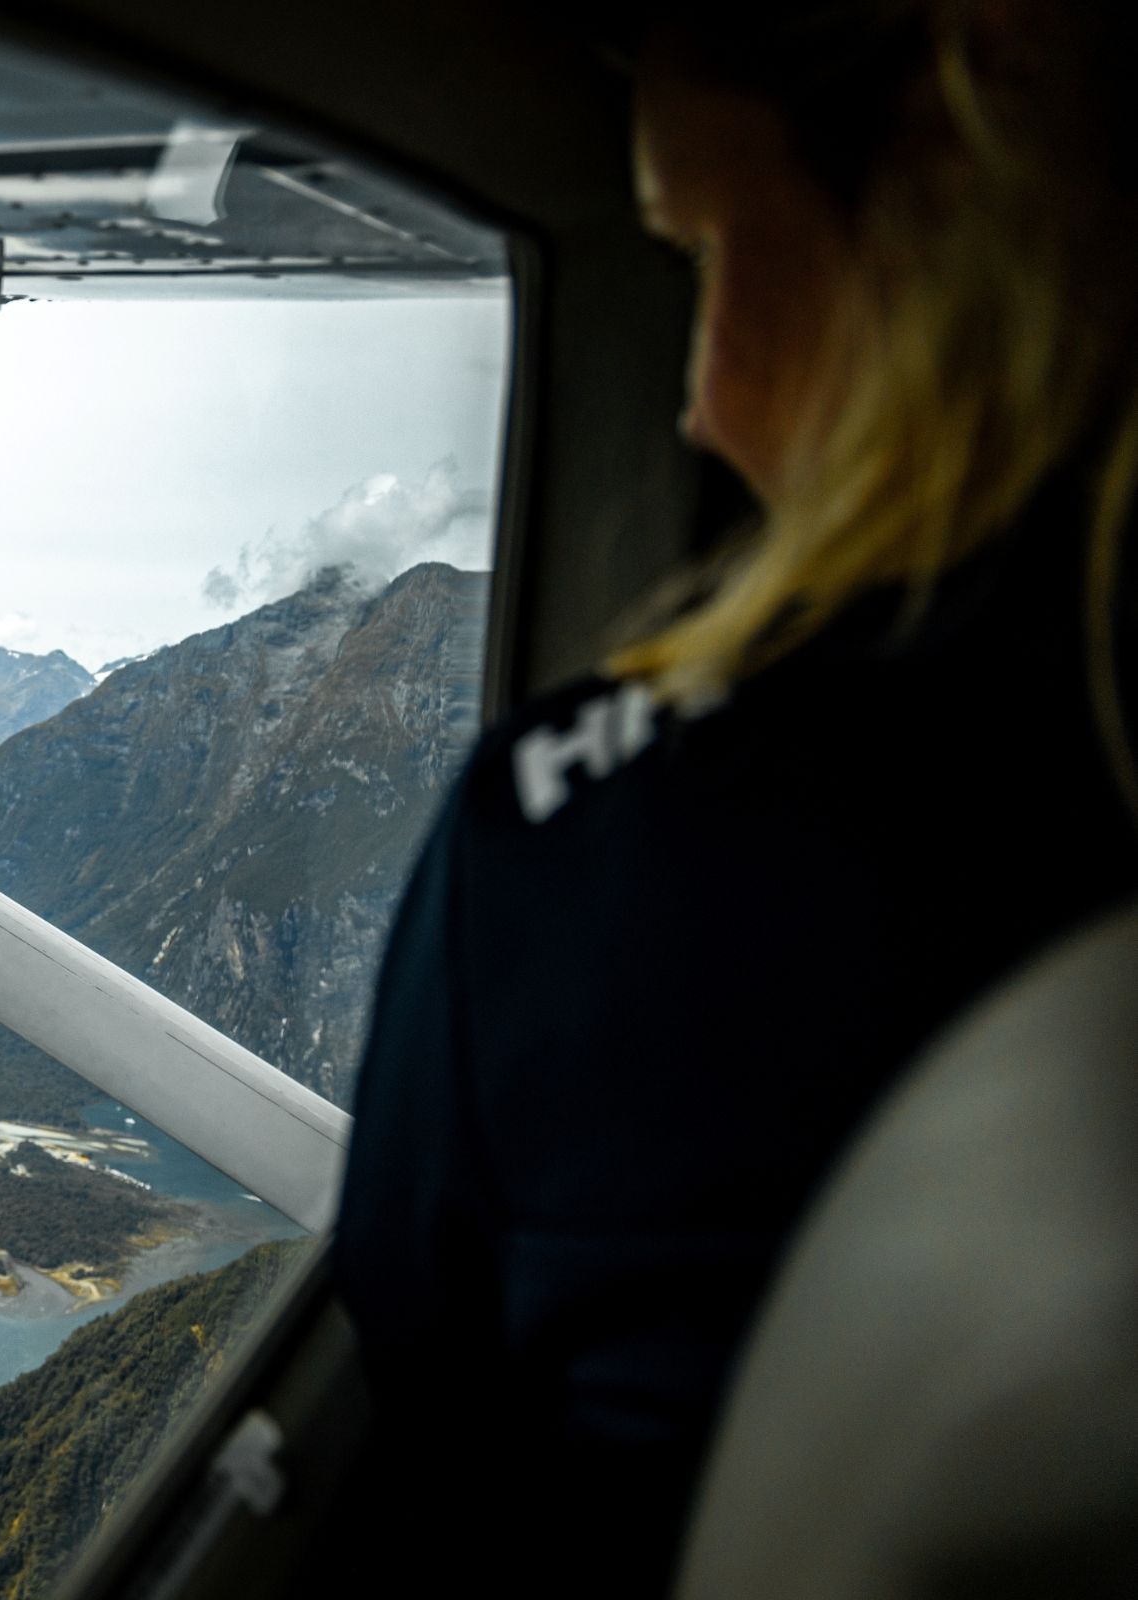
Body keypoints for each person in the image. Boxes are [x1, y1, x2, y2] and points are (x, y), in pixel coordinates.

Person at [330, 3, 1138, 1592]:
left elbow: (426, 1387)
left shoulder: (587, 834)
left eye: (706, 255)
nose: (694, 405)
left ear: (938, 212)